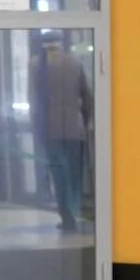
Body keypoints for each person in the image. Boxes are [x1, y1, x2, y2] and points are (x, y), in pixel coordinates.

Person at [28, 31, 92, 231]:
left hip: (51, 129)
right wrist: (85, 121)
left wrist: (36, 126)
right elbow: (88, 97)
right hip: (75, 129)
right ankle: (75, 211)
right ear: (61, 44)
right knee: (74, 174)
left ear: (43, 44)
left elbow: (33, 99)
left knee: (59, 174)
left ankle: (67, 217)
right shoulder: (75, 63)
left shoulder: (35, 64)